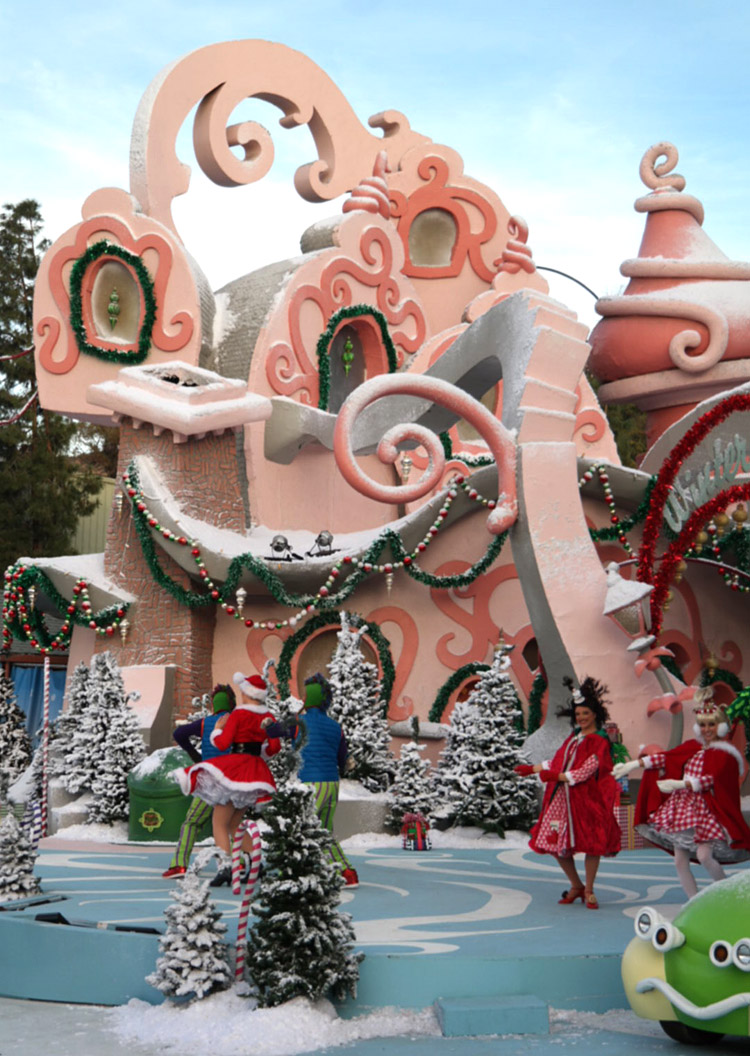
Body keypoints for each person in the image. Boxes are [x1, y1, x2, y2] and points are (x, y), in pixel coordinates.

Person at [615, 693, 750, 899]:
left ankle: (729, 895)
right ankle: (693, 900)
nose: (707, 730)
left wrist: (681, 784)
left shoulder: (725, 754)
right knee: (679, 861)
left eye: (711, 725)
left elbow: (712, 780)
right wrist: (633, 764)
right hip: (682, 809)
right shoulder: (692, 747)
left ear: (721, 727)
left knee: (705, 856)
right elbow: (667, 758)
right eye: (702, 725)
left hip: (706, 810)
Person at [515, 676, 620, 909]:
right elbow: (558, 761)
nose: (581, 717)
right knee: (554, 842)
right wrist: (532, 769)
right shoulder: (574, 737)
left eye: (585, 713)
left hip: (587, 801)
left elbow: (585, 771)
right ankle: (576, 885)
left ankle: (589, 889)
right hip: (562, 801)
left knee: (592, 844)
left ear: (595, 714)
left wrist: (557, 777)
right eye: (578, 714)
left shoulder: (599, 741)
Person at [176, 672, 280, 885]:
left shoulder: (239, 714)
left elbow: (222, 743)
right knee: (234, 823)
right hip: (255, 772)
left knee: (219, 822)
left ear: (247, 693)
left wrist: (217, 730)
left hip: (236, 770)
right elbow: (274, 748)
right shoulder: (268, 717)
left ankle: (225, 867)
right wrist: (258, 751)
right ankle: (256, 864)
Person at [267, 673, 359, 887]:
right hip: (332, 783)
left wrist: (267, 723)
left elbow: (273, 731)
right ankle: (346, 872)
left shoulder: (299, 722)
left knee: (297, 828)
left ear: (308, 699)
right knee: (323, 831)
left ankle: (286, 873)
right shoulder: (335, 726)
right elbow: (343, 758)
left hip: (311, 783)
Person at [162, 683, 236, 879]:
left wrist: (196, 756)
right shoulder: (237, 722)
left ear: (213, 704)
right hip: (231, 780)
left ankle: (179, 865)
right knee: (232, 823)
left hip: (208, 781)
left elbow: (179, 734)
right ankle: (238, 863)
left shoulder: (205, 724)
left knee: (192, 822)